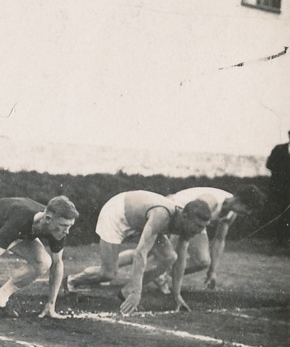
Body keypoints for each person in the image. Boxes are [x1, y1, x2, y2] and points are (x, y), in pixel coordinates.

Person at [65, 190, 211, 314]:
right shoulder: (162, 215)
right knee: (108, 273)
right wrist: (137, 292)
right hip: (117, 214)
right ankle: (71, 280)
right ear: (185, 216)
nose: (199, 232)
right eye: (198, 226)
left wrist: (177, 294)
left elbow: (180, 261)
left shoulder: (186, 225)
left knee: (170, 257)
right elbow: (140, 254)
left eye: (203, 227)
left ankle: (126, 292)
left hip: (140, 221)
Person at [118, 186, 264, 290]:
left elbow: (219, 240)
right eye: (248, 208)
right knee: (158, 254)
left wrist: (212, 271)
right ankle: (112, 270)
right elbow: (184, 225)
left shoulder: (231, 215)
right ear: (238, 200)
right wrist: (173, 252)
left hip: (183, 220)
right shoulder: (211, 201)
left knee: (201, 261)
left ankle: (159, 275)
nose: (248, 213)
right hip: (169, 214)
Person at [264, 130, 290, 247]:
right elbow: (269, 164)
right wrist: (282, 172)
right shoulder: (279, 149)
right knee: (279, 213)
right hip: (279, 188)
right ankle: (279, 240)